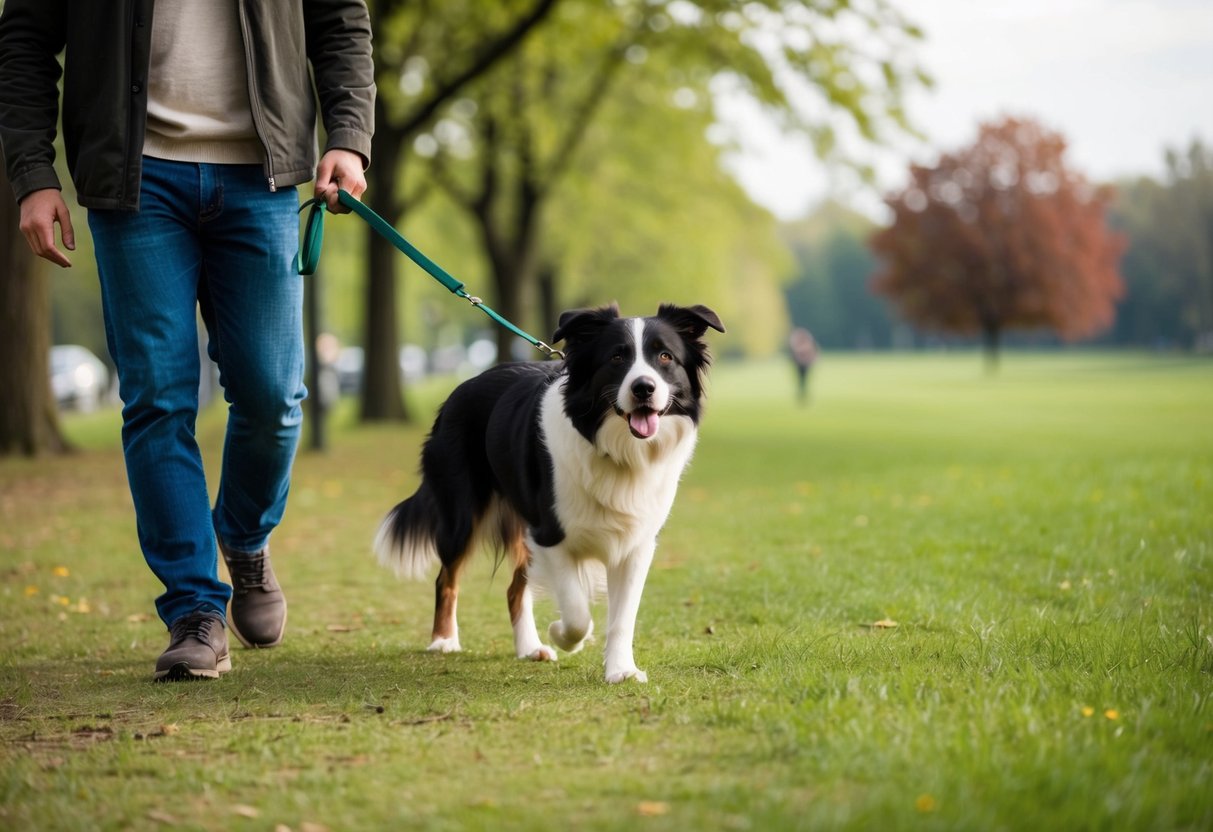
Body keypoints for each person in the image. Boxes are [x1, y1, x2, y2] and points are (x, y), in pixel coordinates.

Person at [0, 1, 375, 681]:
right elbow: (23, 39)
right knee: (157, 399)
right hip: (133, 179)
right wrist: (33, 172)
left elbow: (340, 21)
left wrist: (347, 134)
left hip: (259, 174)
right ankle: (194, 612)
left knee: (272, 396)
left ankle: (243, 534)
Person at [788, 326, 819, 405]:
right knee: (801, 380)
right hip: (799, 363)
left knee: (803, 380)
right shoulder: (799, 341)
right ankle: (802, 393)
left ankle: (802, 393)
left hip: (804, 363)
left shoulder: (803, 340)